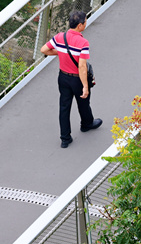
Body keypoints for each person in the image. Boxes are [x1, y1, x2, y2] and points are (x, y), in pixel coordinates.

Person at [40, 10, 102, 148]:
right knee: (83, 102)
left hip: (62, 77)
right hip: (77, 79)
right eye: (85, 21)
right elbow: (82, 66)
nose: (86, 23)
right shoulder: (83, 42)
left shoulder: (60, 36)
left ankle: (65, 138)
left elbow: (44, 50)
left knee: (64, 107)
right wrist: (85, 86)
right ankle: (86, 124)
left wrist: (61, 53)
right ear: (80, 25)